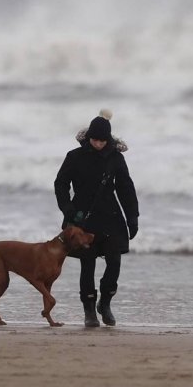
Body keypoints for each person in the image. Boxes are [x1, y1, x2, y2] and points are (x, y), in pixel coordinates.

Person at [54, 109, 139, 327]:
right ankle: (89, 309)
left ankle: (106, 303)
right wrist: (68, 210)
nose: (98, 144)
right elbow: (60, 184)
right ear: (88, 137)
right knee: (87, 264)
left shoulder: (116, 159)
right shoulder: (74, 157)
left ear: (108, 139)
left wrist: (132, 217)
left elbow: (125, 188)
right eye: (94, 139)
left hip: (111, 218)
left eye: (102, 140)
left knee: (114, 263)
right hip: (83, 220)